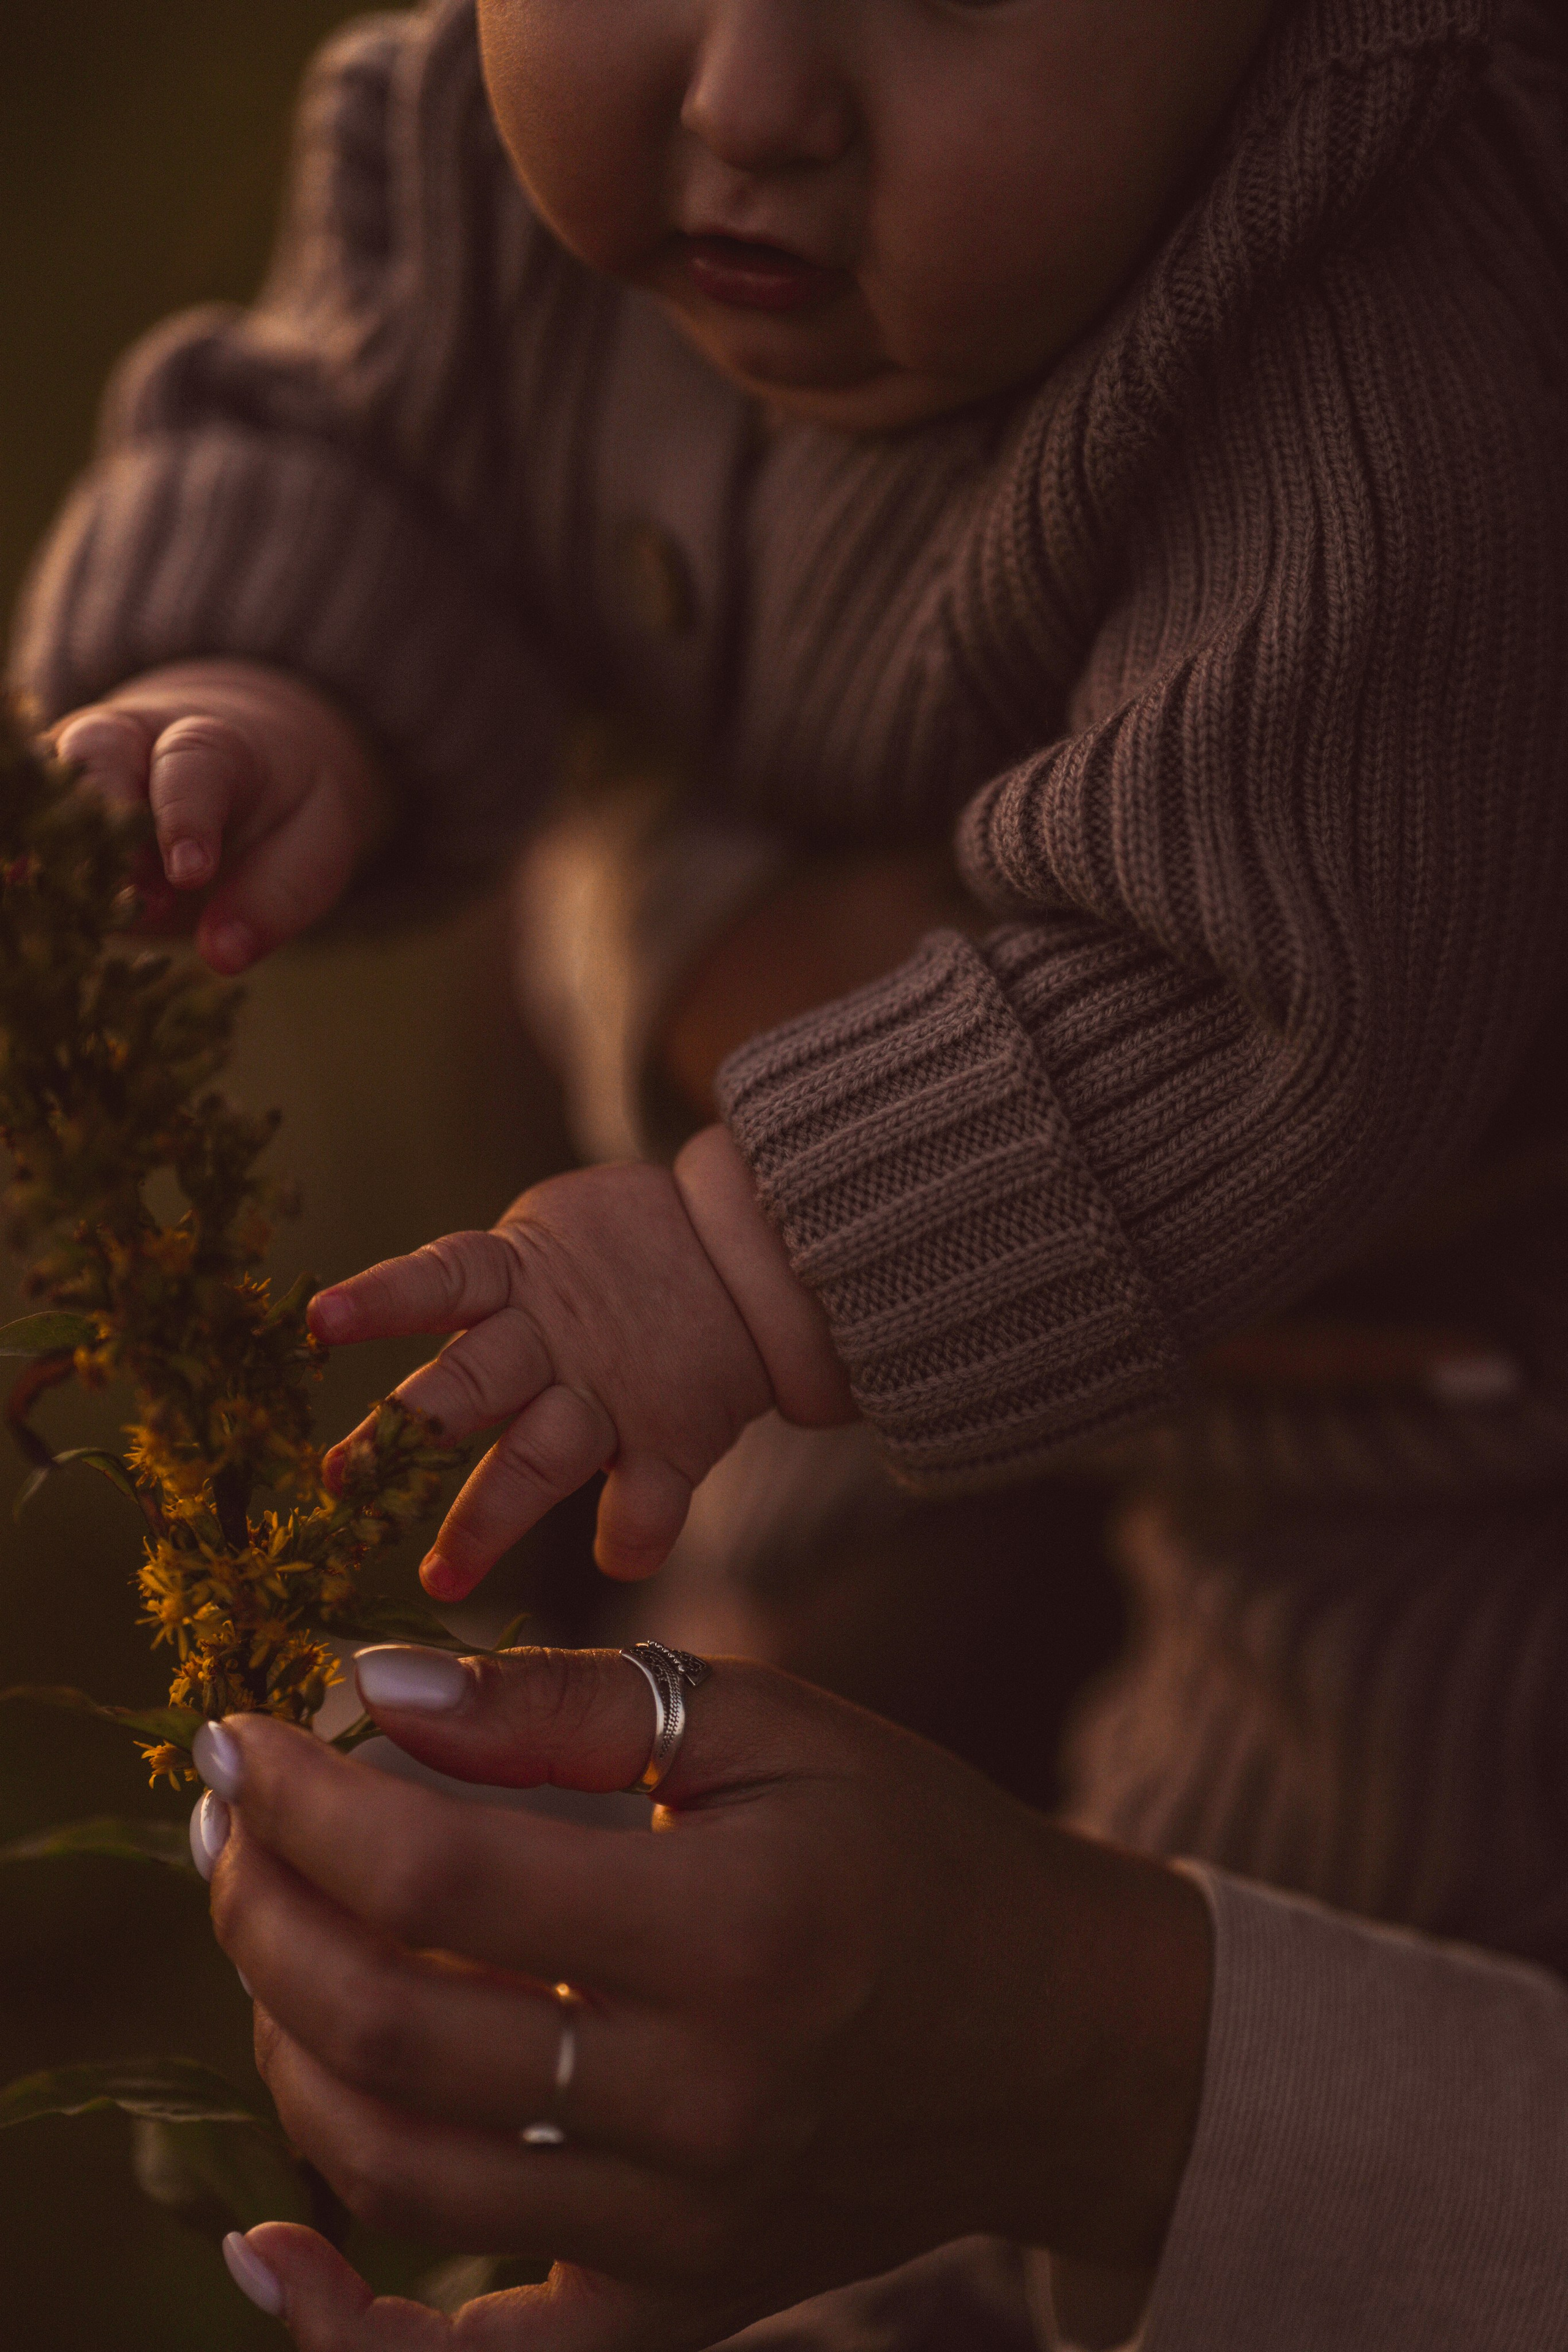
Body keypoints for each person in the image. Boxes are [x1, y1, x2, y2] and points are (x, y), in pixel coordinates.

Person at [11, 0, 1568, 2342]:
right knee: (745, 1767)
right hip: (844, 1331)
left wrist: (748, 1255)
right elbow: (365, 433)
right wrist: (251, 688)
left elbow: (1283, 985)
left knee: (1295, 1888)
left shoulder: (1362, 336)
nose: (746, 97)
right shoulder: (478, 148)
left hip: (1405, 1393)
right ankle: (670, 2234)